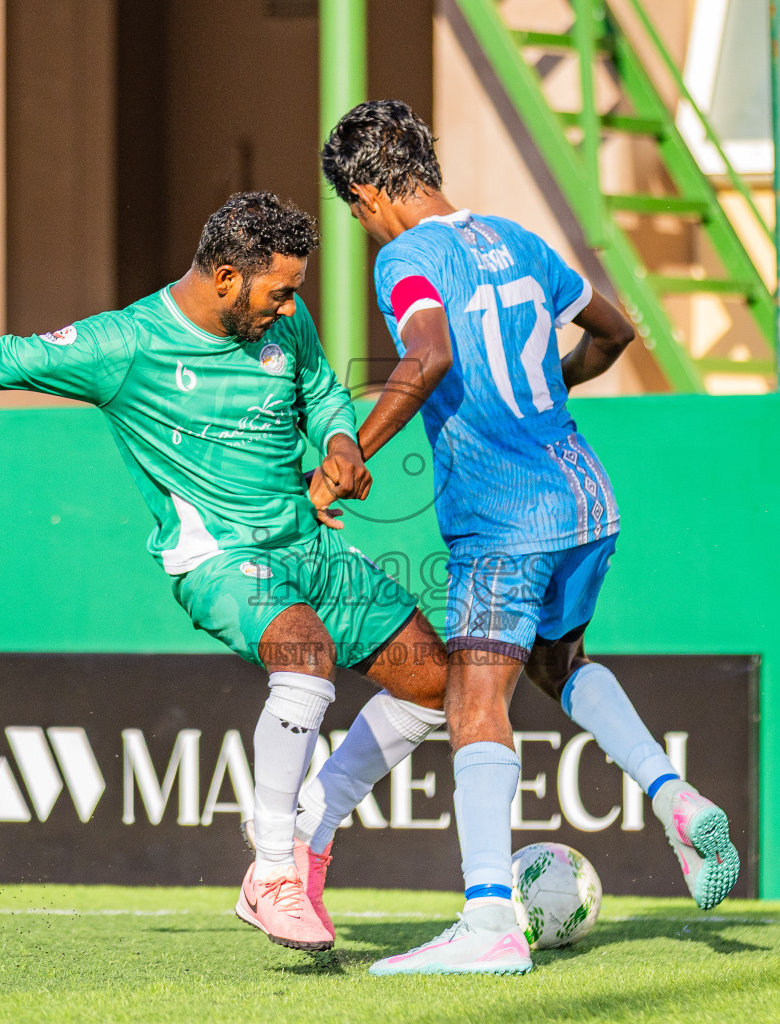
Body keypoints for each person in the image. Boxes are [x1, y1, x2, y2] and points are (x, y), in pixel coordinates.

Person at [0, 191, 453, 951]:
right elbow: (4, 356)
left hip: (306, 543)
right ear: (225, 279)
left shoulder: (287, 322)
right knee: (305, 655)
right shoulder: (124, 345)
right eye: (279, 291)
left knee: (432, 684)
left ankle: (312, 818)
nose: (291, 307)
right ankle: (274, 871)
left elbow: (320, 393)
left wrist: (342, 444)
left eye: (296, 291)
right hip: (220, 557)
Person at [307, 100, 740, 976]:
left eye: (353, 214)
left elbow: (425, 354)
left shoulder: (406, 257)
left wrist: (353, 446)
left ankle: (490, 920)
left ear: (366, 195)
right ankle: (674, 797)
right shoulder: (517, 240)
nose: (361, 229)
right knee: (555, 663)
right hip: (585, 499)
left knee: (473, 702)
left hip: (504, 518)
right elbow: (614, 332)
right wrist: (554, 381)